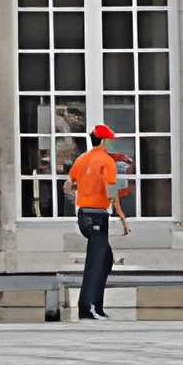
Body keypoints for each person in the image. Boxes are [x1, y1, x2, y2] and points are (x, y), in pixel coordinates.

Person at [67, 123, 131, 321]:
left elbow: (68, 185)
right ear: (103, 140)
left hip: (84, 216)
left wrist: (80, 198)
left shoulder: (81, 159)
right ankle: (87, 308)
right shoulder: (106, 161)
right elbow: (111, 189)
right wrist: (121, 215)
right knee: (96, 262)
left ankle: (98, 306)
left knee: (105, 259)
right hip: (97, 216)